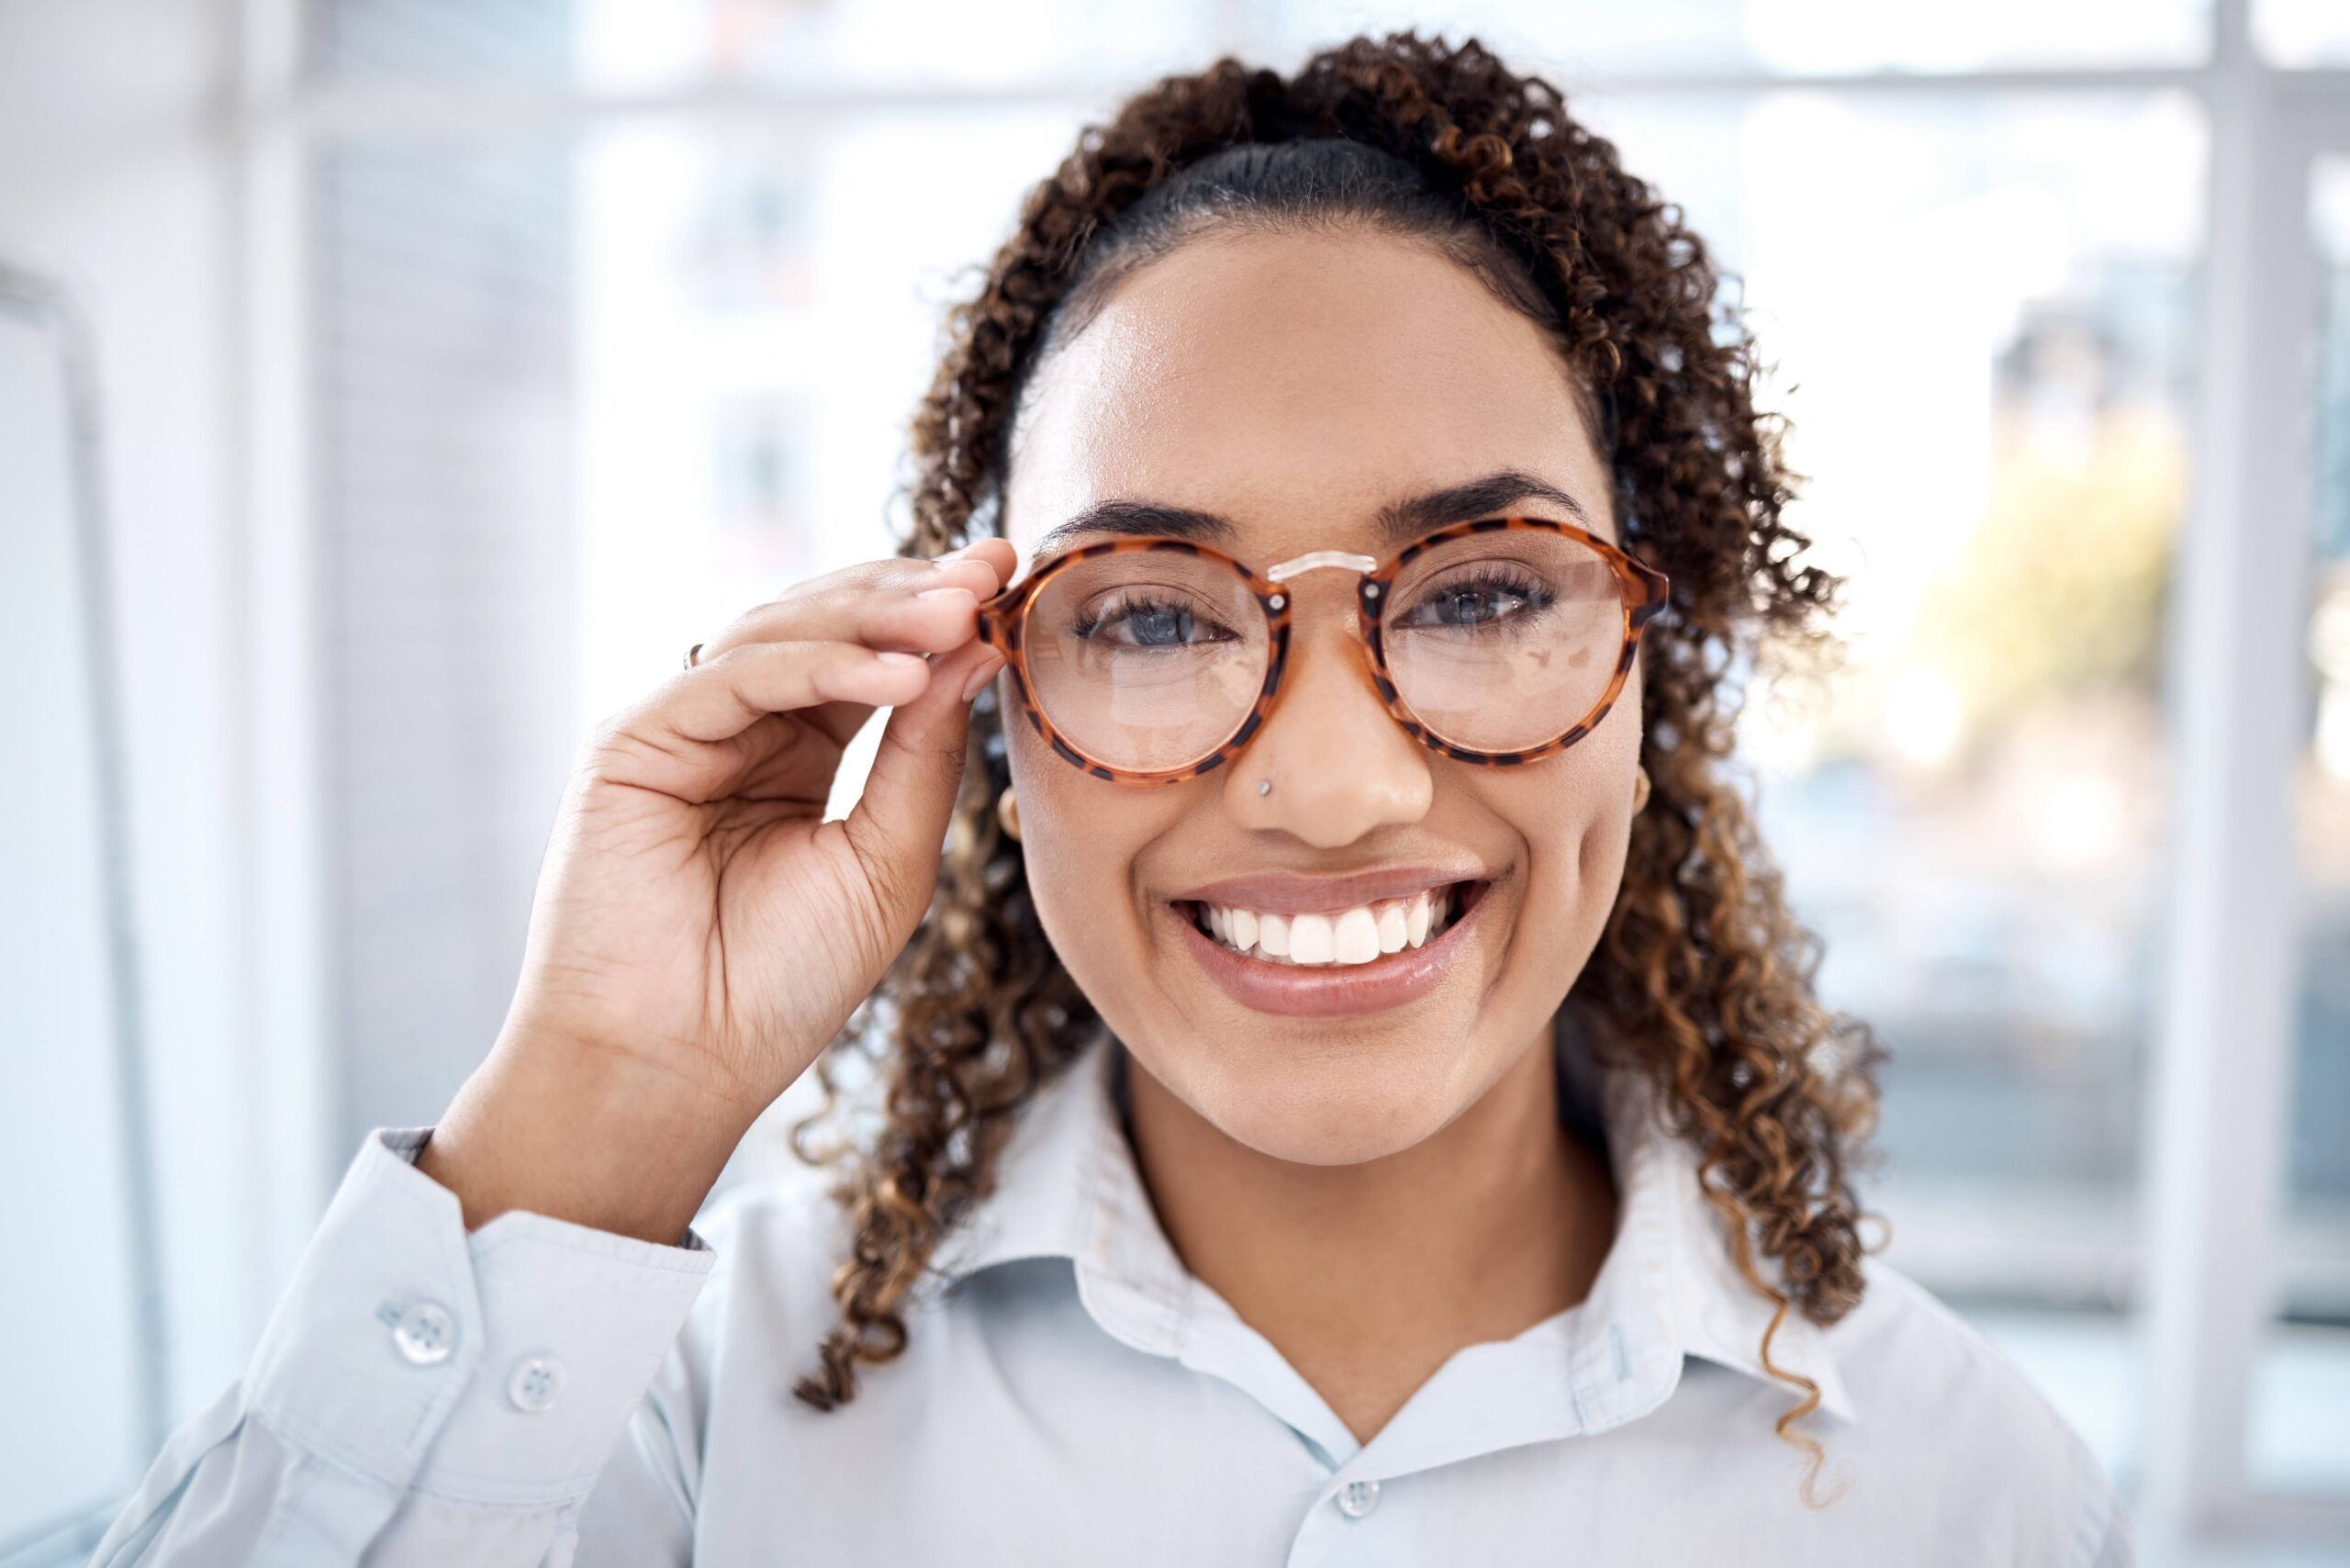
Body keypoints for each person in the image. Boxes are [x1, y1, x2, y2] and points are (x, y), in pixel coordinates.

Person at [93, 30, 2132, 1567]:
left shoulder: (1964, 1486)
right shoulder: (686, 1422)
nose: (1331, 783)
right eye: (1150, 619)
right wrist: (597, 1094)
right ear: (983, 695)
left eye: (1488, 588)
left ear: (1643, 669)